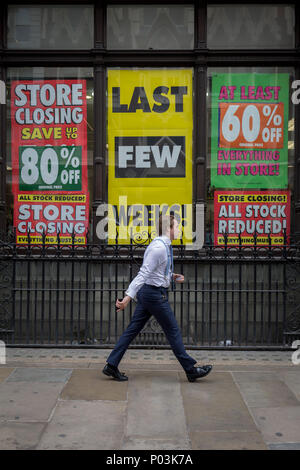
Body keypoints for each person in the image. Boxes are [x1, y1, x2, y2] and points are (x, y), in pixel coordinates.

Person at [102, 214, 212, 382]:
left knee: (132, 329)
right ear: (168, 229)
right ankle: (190, 370)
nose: (180, 229)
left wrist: (172, 276)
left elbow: (156, 271)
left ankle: (111, 365)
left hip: (150, 293)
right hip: (154, 295)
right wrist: (127, 297)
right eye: (177, 226)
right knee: (173, 330)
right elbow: (143, 274)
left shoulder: (163, 246)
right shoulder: (159, 248)